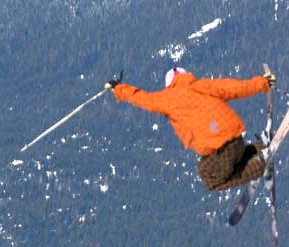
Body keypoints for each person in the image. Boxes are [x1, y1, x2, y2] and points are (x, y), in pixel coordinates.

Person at [105, 67, 276, 191]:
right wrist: (263, 83)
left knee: (209, 177)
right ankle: (259, 148)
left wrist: (119, 89)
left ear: (169, 85)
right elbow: (236, 87)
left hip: (221, 147)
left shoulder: (168, 99)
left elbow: (143, 99)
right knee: (211, 162)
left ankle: (259, 164)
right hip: (237, 139)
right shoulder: (201, 86)